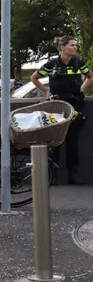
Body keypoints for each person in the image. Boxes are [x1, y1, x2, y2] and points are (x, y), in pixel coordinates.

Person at [30, 35, 93, 184]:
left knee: (73, 140)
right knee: (55, 140)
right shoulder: (52, 64)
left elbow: (90, 76)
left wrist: (81, 89)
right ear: (62, 47)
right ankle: (53, 176)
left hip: (74, 105)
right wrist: (46, 92)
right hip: (57, 105)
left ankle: (73, 175)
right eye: (72, 45)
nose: (75, 48)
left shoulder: (78, 63)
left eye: (76, 46)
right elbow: (34, 78)